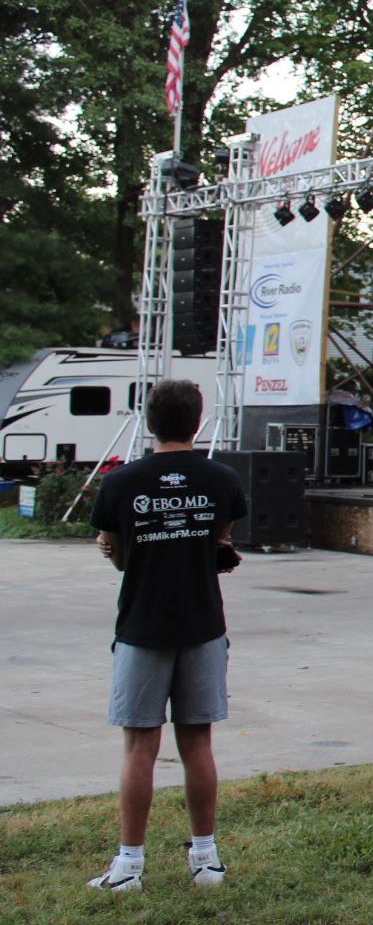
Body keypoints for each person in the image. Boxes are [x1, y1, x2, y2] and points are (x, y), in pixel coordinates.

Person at [87, 379, 249, 892]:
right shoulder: (222, 480)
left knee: (139, 747)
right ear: (197, 422)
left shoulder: (118, 484)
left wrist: (117, 549)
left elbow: (115, 554)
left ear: (150, 422)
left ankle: (129, 866)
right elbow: (219, 539)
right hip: (203, 626)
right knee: (197, 743)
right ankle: (206, 862)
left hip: (142, 626)